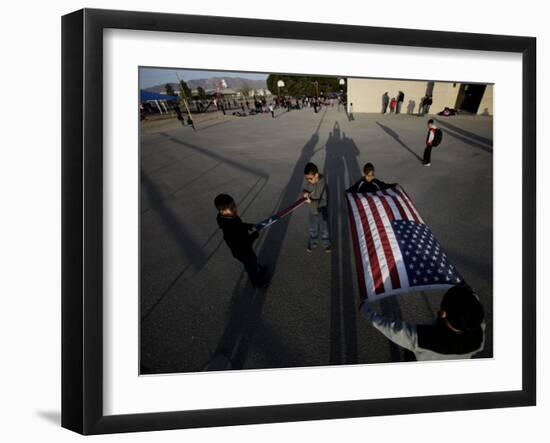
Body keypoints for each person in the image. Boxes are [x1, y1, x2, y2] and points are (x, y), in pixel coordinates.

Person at [360, 285, 485, 361]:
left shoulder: (423, 338)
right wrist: (471, 294)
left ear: (443, 313)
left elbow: (392, 328)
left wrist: (367, 311)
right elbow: (474, 310)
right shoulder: (477, 335)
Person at [214, 194, 268, 288]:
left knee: (253, 258)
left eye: (234, 205)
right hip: (241, 251)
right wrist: (254, 236)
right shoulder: (229, 227)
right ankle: (257, 282)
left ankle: (258, 269)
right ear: (222, 211)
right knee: (250, 266)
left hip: (246, 248)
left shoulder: (230, 216)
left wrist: (249, 226)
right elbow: (241, 243)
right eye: (231, 207)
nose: (235, 208)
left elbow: (240, 225)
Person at [303, 163, 331, 253]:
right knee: (312, 228)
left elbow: (324, 201)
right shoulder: (309, 182)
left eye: (310, 178)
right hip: (312, 211)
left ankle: (326, 243)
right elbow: (305, 189)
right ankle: (313, 242)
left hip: (322, 211)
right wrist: (304, 193)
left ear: (316, 175)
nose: (308, 180)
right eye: (307, 178)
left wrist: (311, 202)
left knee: (325, 229)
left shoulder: (323, 185)